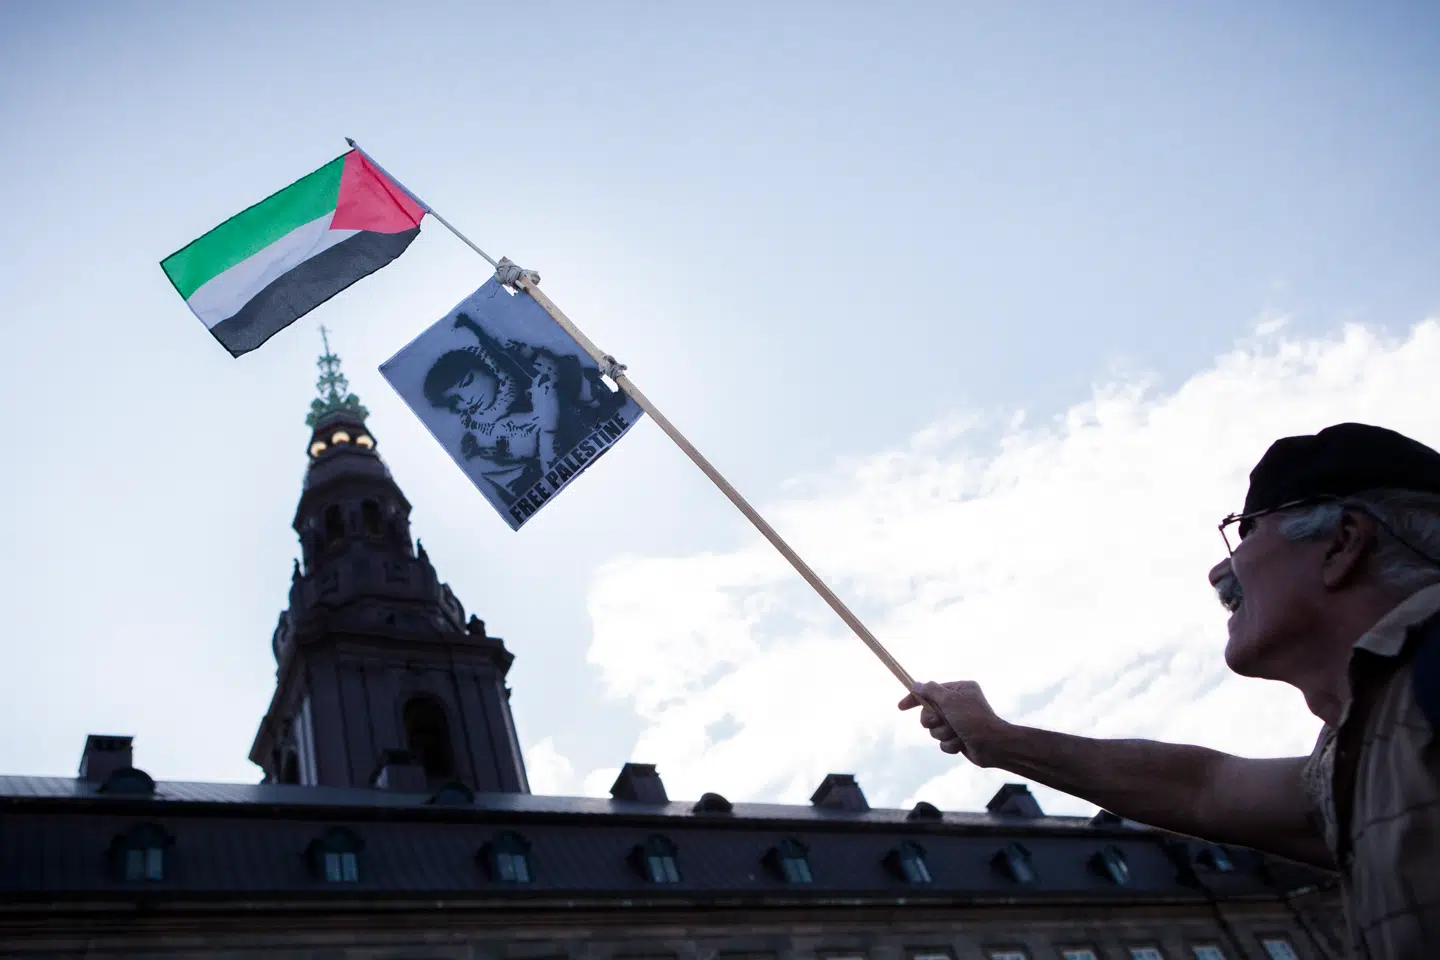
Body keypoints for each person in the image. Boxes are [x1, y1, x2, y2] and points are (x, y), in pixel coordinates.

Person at [902, 422, 1440, 958]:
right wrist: (998, 739)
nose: (1218, 570)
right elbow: (1203, 788)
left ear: (1343, 542)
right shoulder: (1371, 746)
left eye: (1247, 532)